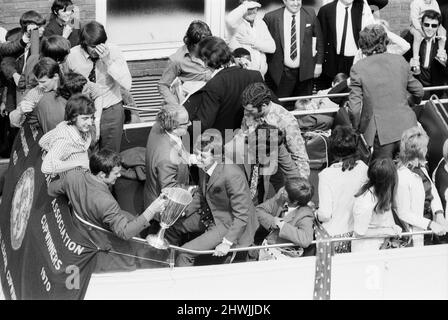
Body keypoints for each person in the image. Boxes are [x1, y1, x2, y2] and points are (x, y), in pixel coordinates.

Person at [47, 149, 168, 240]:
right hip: (101, 238)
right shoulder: (107, 203)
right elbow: (124, 233)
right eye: (116, 173)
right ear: (101, 175)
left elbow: (51, 189)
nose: (120, 175)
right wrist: (152, 210)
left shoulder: (72, 176)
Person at [175, 133, 257, 267]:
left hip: (227, 224)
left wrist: (227, 242)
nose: (198, 159)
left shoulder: (232, 175)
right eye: (197, 154)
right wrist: (184, 211)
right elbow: (202, 194)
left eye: (203, 156)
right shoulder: (204, 167)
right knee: (173, 227)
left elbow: (242, 215)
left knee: (185, 253)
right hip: (211, 214)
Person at [348, 24, 424, 161]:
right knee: (413, 174)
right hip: (408, 128)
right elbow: (419, 91)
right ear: (384, 41)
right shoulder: (399, 61)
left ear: (363, 46)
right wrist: (410, 103)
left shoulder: (358, 68)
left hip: (381, 134)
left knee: (384, 178)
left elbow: (354, 109)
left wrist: (356, 129)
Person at [65, 21, 132, 153]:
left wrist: (108, 61)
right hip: (84, 111)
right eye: (93, 46)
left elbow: (127, 84)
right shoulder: (72, 56)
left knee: (110, 156)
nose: (98, 50)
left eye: (102, 45)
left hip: (110, 110)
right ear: (84, 43)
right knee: (87, 154)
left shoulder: (114, 51)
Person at [184, 36, 263, 139]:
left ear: (206, 60)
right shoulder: (255, 75)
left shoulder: (214, 84)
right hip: (251, 138)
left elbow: (203, 123)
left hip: (222, 143)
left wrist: (181, 128)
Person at [240, 82, 310, 183]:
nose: (246, 113)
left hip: (278, 172)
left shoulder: (286, 121)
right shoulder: (250, 111)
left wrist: (299, 187)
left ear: (263, 106)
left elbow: (299, 156)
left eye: (250, 111)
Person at [263, 0, 324, 108]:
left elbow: (319, 40)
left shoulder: (310, 13)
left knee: (305, 107)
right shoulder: (271, 17)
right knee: (279, 106)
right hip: (282, 73)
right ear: (284, 1)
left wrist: (319, 64)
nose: (296, 3)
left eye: (298, 0)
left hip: (305, 72)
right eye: (292, 0)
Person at [317, 125, 368, 253]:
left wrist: (314, 213)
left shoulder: (326, 175)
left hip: (334, 239)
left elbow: (325, 214)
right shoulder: (364, 168)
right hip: (359, 236)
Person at [396, 126, 448, 247]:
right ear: (419, 150)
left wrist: (439, 214)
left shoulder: (421, 167)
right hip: (417, 235)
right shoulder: (402, 176)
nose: (427, 149)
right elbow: (403, 213)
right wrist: (430, 224)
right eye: (425, 146)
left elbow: (432, 191)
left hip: (430, 229)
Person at [317, 0, 375, 88]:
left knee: (353, 93)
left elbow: (383, 1)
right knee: (331, 94)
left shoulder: (362, 8)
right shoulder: (326, 10)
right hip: (332, 61)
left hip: (355, 60)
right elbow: (319, 39)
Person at [144, 104, 192, 210]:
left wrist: (190, 158)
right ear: (174, 127)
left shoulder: (158, 126)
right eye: (186, 122)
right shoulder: (167, 157)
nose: (190, 123)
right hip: (165, 209)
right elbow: (170, 190)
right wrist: (193, 190)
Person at [256, 177, 314, 260]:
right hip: (267, 249)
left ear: (295, 201)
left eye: (286, 192)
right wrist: (273, 222)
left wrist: (282, 225)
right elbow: (259, 210)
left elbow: (305, 239)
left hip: (283, 256)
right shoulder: (281, 198)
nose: (283, 191)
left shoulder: (305, 214)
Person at [352, 158, 402, 252]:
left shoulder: (381, 194)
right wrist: (387, 231)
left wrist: (392, 227)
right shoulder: (365, 202)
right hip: (365, 250)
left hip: (379, 246)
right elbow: (359, 232)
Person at [158, 20, 212, 105]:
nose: (206, 47)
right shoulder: (177, 59)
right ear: (192, 43)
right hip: (191, 103)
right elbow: (163, 85)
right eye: (201, 44)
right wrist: (175, 104)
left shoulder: (211, 50)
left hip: (210, 100)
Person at [39, 94, 94, 176]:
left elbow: (43, 141)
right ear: (73, 118)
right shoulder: (64, 140)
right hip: (71, 182)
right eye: (85, 118)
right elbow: (46, 167)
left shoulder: (66, 125)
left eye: (92, 117)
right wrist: (79, 162)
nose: (90, 123)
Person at [404, 10, 448, 99]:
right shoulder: (411, 37)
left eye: (434, 25)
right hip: (416, 87)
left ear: (438, 27)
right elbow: (402, 59)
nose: (430, 28)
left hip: (437, 88)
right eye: (426, 24)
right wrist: (409, 64)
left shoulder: (444, 41)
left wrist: (446, 61)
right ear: (421, 24)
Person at [226, 0, 275, 77]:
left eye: (254, 8)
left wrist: (252, 41)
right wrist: (246, 5)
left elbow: (272, 48)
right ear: (241, 9)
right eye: (249, 8)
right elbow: (229, 19)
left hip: (260, 76)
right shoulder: (234, 25)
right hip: (241, 77)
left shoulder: (260, 23)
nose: (252, 11)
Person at [9, 57, 62, 128]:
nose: (40, 86)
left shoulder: (69, 89)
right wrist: (19, 112)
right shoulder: (36, 92)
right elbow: (13, 122)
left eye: (43, 82)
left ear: (55, 76)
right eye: (38, 82)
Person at [409, 0, 446, 75]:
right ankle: (415, 61)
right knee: (417, 36)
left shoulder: (434, 2)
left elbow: (438, 14)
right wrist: (422, 32)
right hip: (417, 26)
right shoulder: (416, 3)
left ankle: (441, 54)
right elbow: (414, 20)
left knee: (443, 30)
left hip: (430, 22)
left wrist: (438, 26)